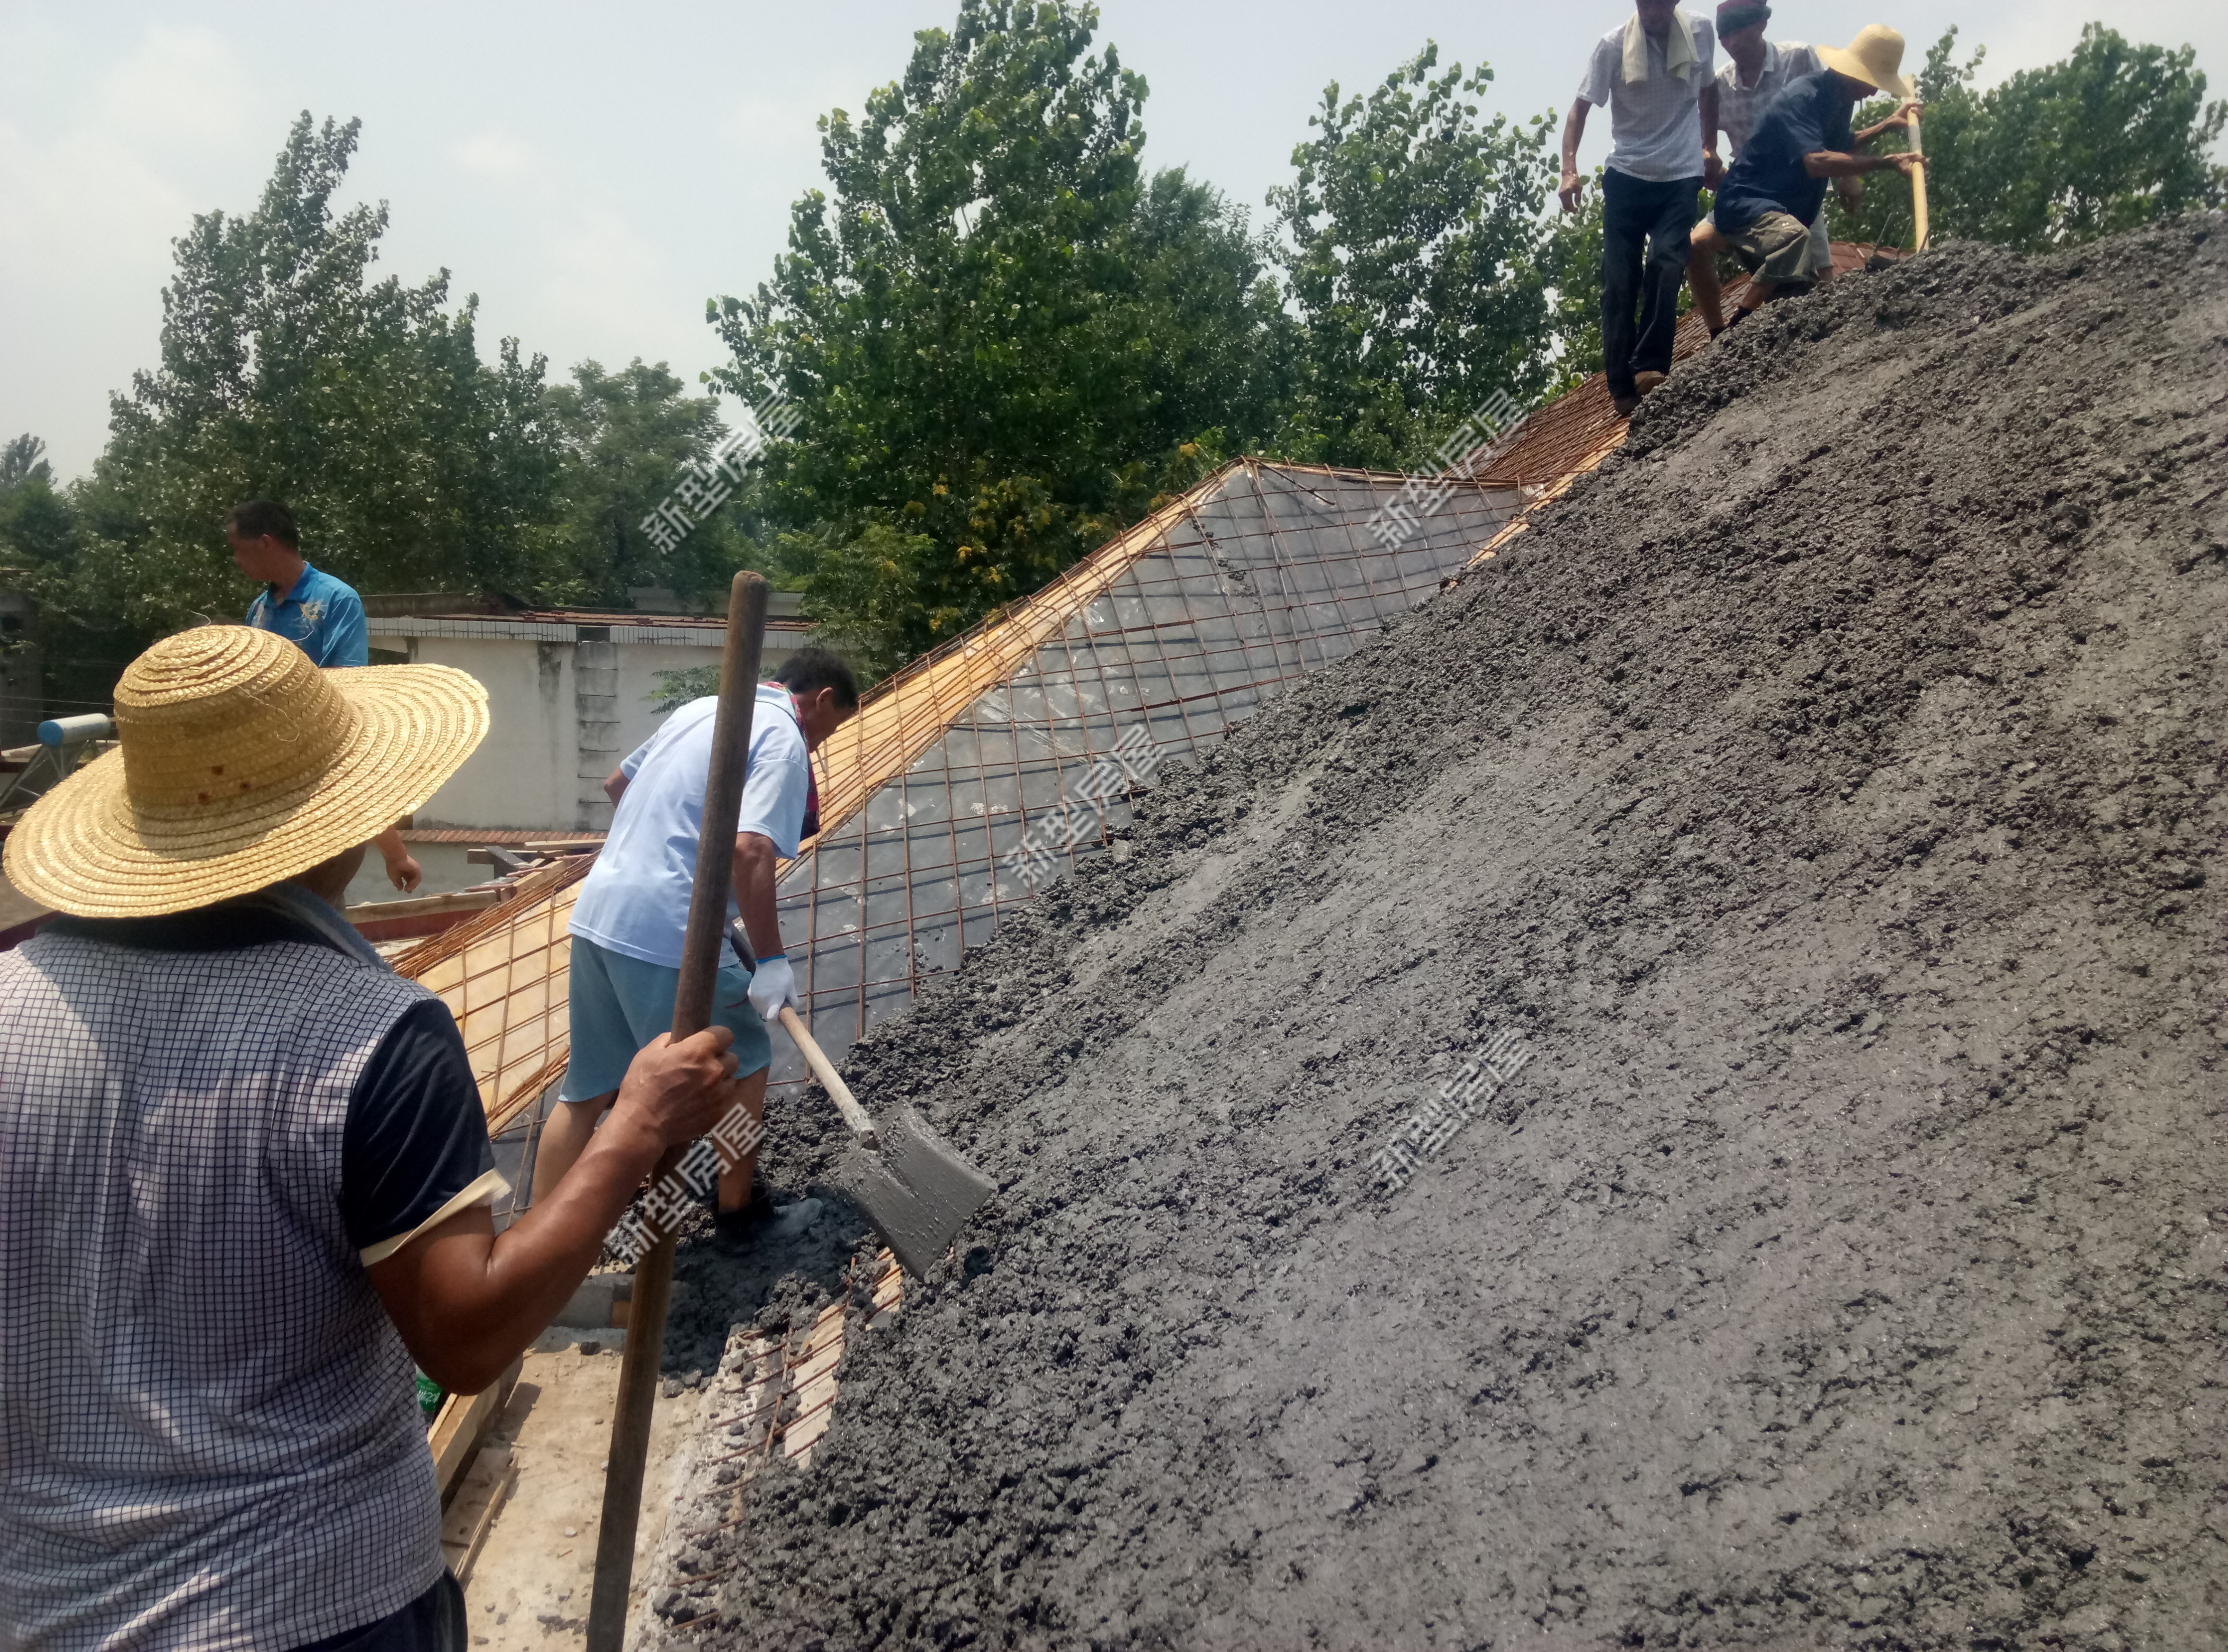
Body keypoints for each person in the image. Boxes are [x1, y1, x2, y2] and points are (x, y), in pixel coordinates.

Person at [0, 624, 743, 1648]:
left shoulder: (10, 1004)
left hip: (48, 1602)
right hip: (310, 1602)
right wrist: (636, 1132)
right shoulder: (368, 1035)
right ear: (341, 825)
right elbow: (467, 1336)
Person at [533, 644, 861, 1240]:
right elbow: (749, 849)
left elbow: (616, 785)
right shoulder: (783, 734)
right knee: (749, 1060)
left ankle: (535, 1256)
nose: (819, 744)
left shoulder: (702, 709)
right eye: (828, 730)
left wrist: (677, 870)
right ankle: (739, 1211)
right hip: (667, 932)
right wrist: (770, 960)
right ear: (822, 700)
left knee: (588, 1089)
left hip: (601, 911)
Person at [228, 497, 424, 895]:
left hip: (316, 778)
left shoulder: (335, 600)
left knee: (313, 906)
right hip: (264, 779)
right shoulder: (259, 610)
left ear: (265, 543)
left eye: (238, 549)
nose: (235, 560)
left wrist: (394, 852)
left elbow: (344, 696)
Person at [1692, 5, 1921, 333]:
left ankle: (1771, 322)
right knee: (1793, 240)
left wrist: (1886, 125)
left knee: (1802, 292)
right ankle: (1732, 332)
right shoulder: (1804, 95)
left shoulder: (1839, 99)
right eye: (1871, 83)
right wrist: (1885, 162)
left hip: (1789, 206)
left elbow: (1840, 144)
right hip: (1749, 203)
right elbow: (1817, 162)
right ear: (1854, 73)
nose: (1873, 91)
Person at [1561, 0, 1720, 417]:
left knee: (1668, 262)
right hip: (1628, 175)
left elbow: (1709, 88)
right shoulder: (1612, 46)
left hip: (1680, 175)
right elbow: (1579, 109)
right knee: (1619, 280)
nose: (1652, 9)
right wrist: (1569, 171)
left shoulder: (1701, 32)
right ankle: (1621, 386)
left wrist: (1709, 147)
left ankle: (1650, 365)